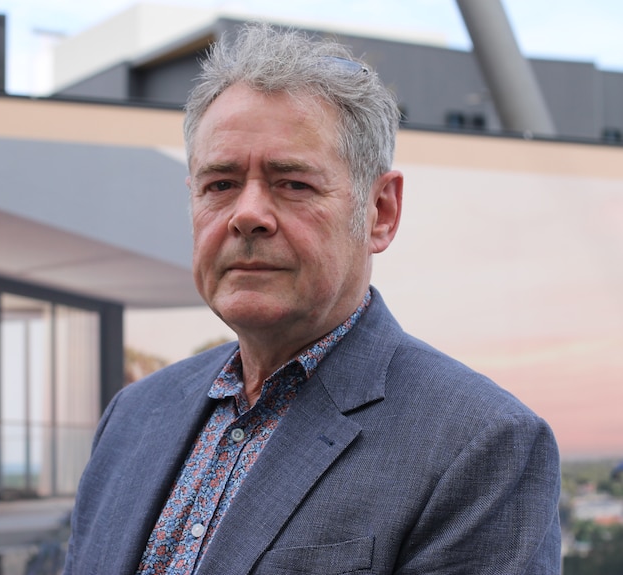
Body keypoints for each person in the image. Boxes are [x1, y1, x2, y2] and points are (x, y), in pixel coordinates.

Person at [64, 23, 561, 575]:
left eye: (293, 183)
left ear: (380, 211)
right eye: (220, 184)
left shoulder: (481, 444)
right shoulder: (133, 417)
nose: (248, 214)